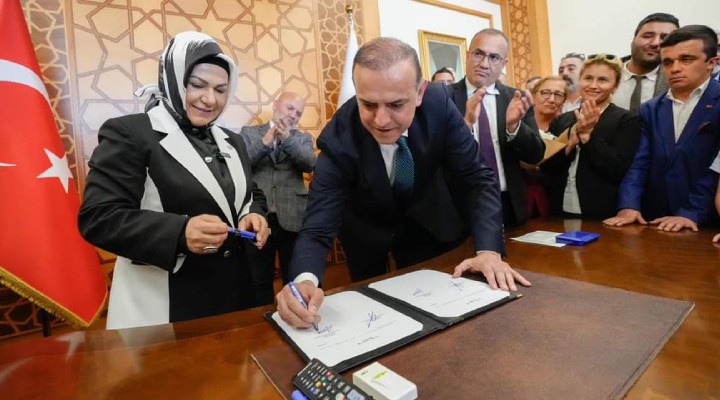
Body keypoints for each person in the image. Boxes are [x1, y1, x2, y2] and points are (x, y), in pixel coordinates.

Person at [276, 37, 531, 329]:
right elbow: (317, 227)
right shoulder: (338, 138)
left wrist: (488, 252)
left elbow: (477, 178)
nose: (381, 120)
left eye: (396, 104)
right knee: (375, 317)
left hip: (430, 223)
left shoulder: (439, 106)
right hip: (366, 230)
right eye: (368, 104)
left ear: (420, 92)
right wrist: (304, 280)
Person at [79, 31, 269, 330]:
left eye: (221, 90)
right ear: (173, 79)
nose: (210, 99)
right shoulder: (130, 133)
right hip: (167, 303)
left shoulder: (232, 140)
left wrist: (254, 213)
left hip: (236, 295)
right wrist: (180, 232)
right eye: (197, 85)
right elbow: (100, 218)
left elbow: (250, 193)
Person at [604, 25, 720, 232]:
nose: (675, 68)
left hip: (705, 223)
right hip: (655, 221)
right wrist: (629, 205)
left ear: (712, 62)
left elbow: (715, 170)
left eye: (686, 59)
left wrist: (690, 213)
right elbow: (639, 162)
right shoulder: (650, 108)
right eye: (667, 62)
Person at [448, 28, 545, 226]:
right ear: (467, 55)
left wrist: (514, 127)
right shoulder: (444, 97)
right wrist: (466, 124)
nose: (484, 64)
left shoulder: (517, 98)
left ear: (503, 63)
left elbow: (535, 155)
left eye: (494, 57)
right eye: (478, 54)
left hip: (507, 203)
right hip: (458, 203)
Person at [239, 91, 316, 305]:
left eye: (298, 113)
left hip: (292, 217)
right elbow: (242, 163)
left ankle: (293, 313)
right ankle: (262, 315)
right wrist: (267, 140)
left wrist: (288, 139)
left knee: (293, 276)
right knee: (259, 276)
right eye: (290, 108)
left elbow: (310, 163)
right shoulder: (249, 132)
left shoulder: (302, 138)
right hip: (258, 216)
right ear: (275, 105)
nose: (293, 115)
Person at [541, 55, 641, 219]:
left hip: (603, 211)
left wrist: (588, 137)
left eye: (602, 80)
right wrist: (569, 145)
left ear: (615, 86)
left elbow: (617, 170)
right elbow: (546, 168)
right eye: (588, 78)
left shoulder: (626, 120)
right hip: (559, 208)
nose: (593, 85)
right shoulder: (562, 120)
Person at [522, 75, 569, 218]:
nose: (552, 99)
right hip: (522, 193)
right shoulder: (519, 123)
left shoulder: (567, 126)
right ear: (533, 95)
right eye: (545, 93)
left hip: (556, 194)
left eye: (558, 95)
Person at [612, 13, 678, 112]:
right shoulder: (606, 71)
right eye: (648, 36)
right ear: (633, 40)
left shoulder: (676, 81)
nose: (656, 43)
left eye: (665, 38)